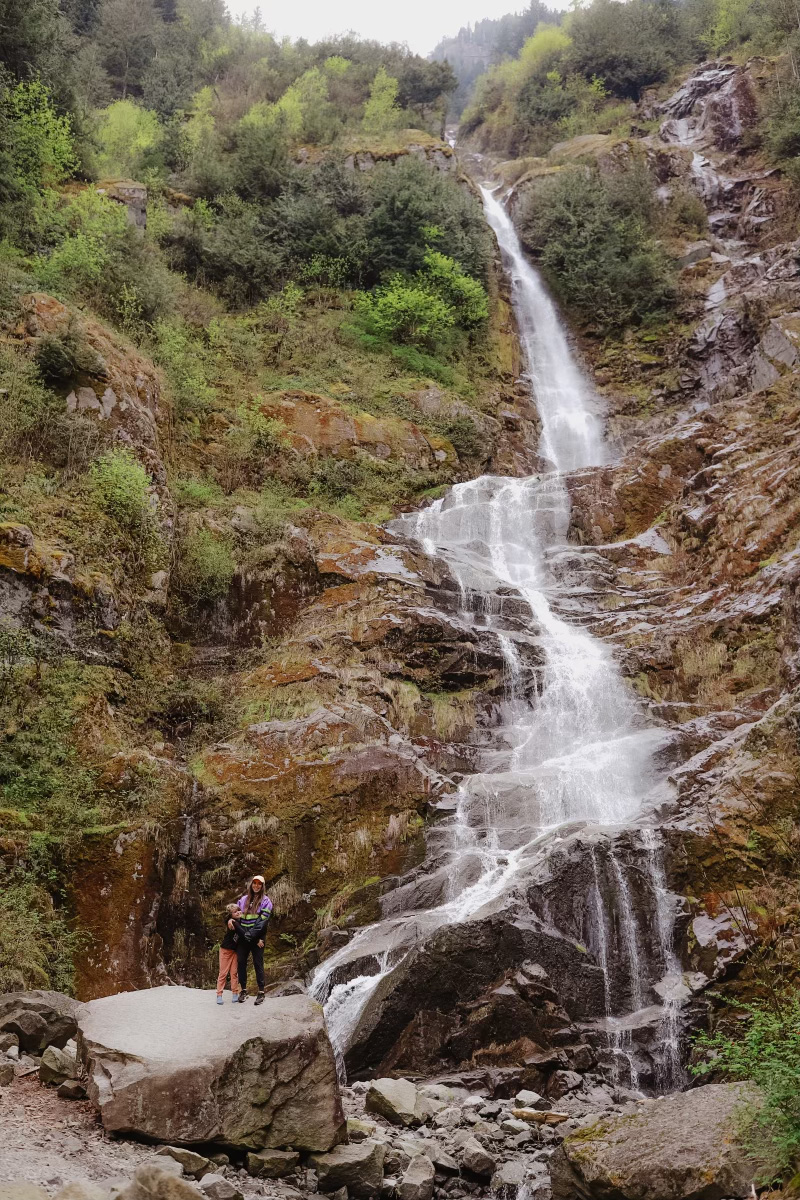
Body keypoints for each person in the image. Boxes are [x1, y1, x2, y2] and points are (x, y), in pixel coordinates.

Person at [232, 874, 273, 1005]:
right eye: (254, 883)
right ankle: (243, 990)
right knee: (241, 962)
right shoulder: (243, 900)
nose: (256, 886)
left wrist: (252, 936)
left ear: (262, 886)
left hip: (257, 938)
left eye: (259, 884)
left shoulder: (266, 902)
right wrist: (230, 920)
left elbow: (262, 923)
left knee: (258, 963)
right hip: (243, 936)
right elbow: (235, 916)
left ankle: (261, 992)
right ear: (251, 885)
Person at [216, 903, 243, 1004]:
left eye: (239, 910)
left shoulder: (242, 921)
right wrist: (230, 920)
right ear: (231, 915)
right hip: (226, 950)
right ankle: (219, 995)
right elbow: (227, 921)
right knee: (223, 973)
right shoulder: (231, 922)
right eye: (235, 912)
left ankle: (235, 994)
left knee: (234, 973)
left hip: (235, 951)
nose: (238, 912)